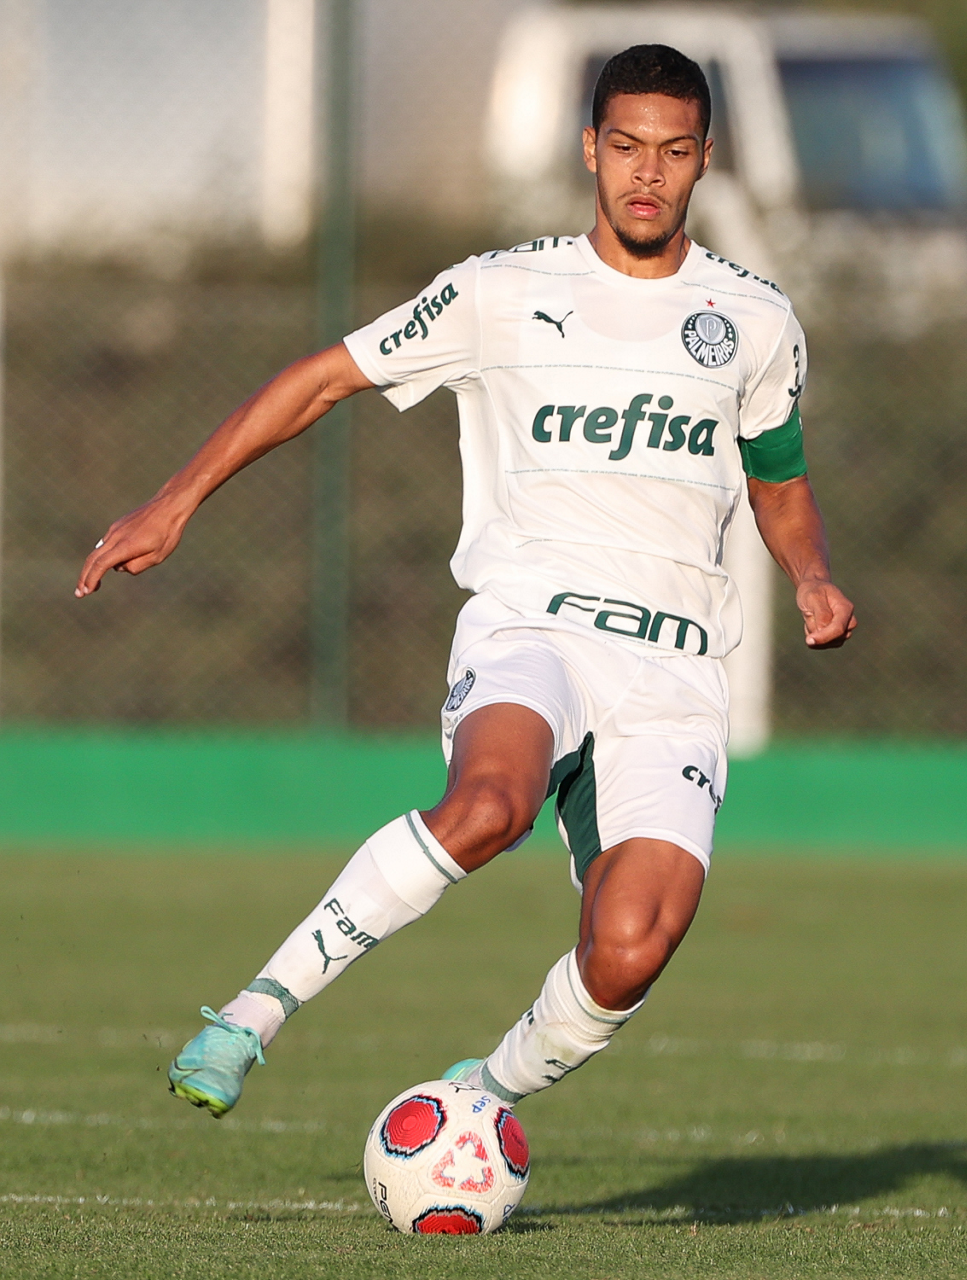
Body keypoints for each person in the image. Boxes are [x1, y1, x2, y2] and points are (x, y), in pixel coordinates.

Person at [75, 45, 855, 1118]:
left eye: (674, 151)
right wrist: (176, 498)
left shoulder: (755, 319)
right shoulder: (498, 289)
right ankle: (252, 1013)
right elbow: (323, 381)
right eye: (626, 146)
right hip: (535, 622)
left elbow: (780, 484)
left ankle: (479, 1102)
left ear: (706, 159)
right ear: (589, 149)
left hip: (675, 669)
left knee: (632, 947)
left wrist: (812, 574)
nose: (647, 172)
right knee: (489, 804)